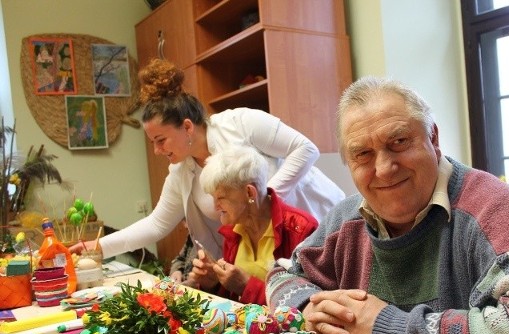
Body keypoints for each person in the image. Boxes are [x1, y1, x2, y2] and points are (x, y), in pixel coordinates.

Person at [266, 76, 509, 334]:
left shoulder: (494, 208)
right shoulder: (345, 219)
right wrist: (307, 309)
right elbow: (280, 278)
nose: (384, 168)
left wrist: (387, 327)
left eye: (399, 142)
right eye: (362, 154)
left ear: (433, 138)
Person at [70, 58, 343, 262]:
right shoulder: (181, 172)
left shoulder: (241, 123)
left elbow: (306, 149)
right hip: (273, 258)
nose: (157, 151)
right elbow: (156, 224)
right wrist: (99, 247)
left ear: (187, 127)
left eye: (160, 140)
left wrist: (266, 199)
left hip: (322, 229)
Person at [191, 144, 318, 304]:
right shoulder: (233, 230)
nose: (215, 206)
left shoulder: (301, 229)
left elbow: (308, 304)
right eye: (212, 197)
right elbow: (231, 302)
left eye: (221, 198)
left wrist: (246, 286)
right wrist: (213, 283)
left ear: (250, 192)